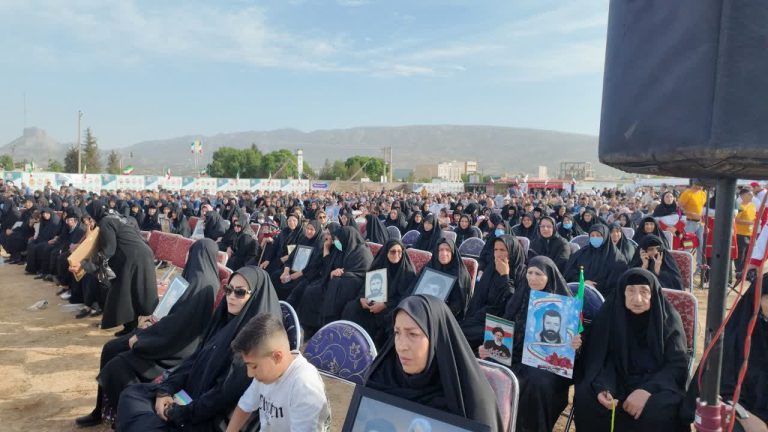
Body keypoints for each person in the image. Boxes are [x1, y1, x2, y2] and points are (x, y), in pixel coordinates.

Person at [116, 266, 282, 431]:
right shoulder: (224, 321)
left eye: (240, 292)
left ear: (256, 297)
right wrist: (166, 391)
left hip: (211, 415)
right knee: (133, 394)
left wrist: (180, 413)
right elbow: (195, 360)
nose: (231, 297)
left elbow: (223, 394)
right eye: (228, 289)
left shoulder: (254, 341)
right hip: (189, 396)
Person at [75, 239, 219, 427]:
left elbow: (178, 326)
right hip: (168, 336)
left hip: (176, 348)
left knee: (117, 366)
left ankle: (127, 417)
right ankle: (101, 410)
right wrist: (153, 321)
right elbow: (174, 316)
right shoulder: (197, 277)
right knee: (110, 348)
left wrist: (143, 339)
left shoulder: (201, 283)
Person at [364, 295, 504, 431]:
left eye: (412, 334)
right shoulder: (382, 379)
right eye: (397, 333)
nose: (401, 346)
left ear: (437, 339)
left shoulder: (469, 401)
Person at [574, 268, 689, 432]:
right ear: (622, 293)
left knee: (661, 410)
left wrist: (646, 391)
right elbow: (598, 357)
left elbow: (677, 365)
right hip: (616, 380)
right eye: (630, 291)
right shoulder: (610, 314)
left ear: (653, 294)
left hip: (656, 384)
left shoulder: (668, 320)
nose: (638, 299)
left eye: (644, 291)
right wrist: (603, 387)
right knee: (588, 399)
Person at [479, 256, 581, 432]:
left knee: (537, 382)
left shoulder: (564, 305)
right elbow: (504, 330)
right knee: (489, 369)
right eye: (530, 273)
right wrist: (489, 347)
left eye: (538, 274)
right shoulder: (520, 296)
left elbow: (572, 353)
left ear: (549, 277)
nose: (532, 278)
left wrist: (575, 344)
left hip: (547, 364)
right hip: (517, 355)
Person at [685, 274, 768, 432]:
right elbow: (716, 391)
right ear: (756, 300)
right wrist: (745, 417)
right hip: (744, 415)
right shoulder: (735, 339)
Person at [226, 313, 331, 432]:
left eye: (254, 366)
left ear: (277, 357)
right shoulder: (266, 374)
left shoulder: (305, 386)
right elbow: (245, 406)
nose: (250, 374)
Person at [73, 199, 157, 336]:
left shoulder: (106, 222)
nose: (90, 218)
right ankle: (130, 327)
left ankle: (132, 328)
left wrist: (84, 264)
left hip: (134, 257)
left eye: (90, 215)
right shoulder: (115, 216)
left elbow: (108, 250)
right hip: (139, 255)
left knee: (125, 291)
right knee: (129, 292)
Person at [298, 226, 373, 334]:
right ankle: (311, 328)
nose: (336, 242)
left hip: (355, 286)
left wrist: (343, 274)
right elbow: (328, 267)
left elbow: (363, 273)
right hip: (336, 281)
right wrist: (328, 253)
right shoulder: (341, 249)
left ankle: (329, 326)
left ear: (346, 238)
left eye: (338, 239)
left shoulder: (362, 252)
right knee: (312, 291)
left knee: (336, 286)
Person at [342, 239, 417, 347]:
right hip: (373, 303)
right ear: (386, 252)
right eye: (392, 251)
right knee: (352, 307)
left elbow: (406, 297)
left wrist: (385, 305)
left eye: (399, 252)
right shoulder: (379, 265)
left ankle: (376, 350)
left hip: (393, 306)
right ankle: (349, 342)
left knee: (389, 318)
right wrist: (362, 298)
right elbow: (366, 286)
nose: (396, 254)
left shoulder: (407, 272)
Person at [460, 234, 524, 348]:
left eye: (503, 250)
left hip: (505, 324)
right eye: (496, 250)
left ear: (513, 252)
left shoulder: (522, 275)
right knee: (458, 328)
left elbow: (512, 307)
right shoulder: (491, 269)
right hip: (484, 316)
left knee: (464, 335)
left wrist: (505, 276)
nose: (498, 254)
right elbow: (478, 299)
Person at [564, 224, 629, 298]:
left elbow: (616, 285)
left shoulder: (617, 259)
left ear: (605, 236)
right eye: (592, 236)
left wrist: (595, 288)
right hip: (578, 293)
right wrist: (583, 282)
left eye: (598, 235)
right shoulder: (582, 253)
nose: (595, 238)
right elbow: (569, 273)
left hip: (604, 298)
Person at [419, 238, 472, 321]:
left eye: (448, 250)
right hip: (423, 309)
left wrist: (438, 315)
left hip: (446, 315)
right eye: (440, 250)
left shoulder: (460, 273)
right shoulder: (430, 266)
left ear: (453, 253)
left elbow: (458, 305)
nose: (444, 253)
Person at [274, 220, 323, 300]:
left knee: (295, 286)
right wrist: (286, 271)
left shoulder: (319, 245)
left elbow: (313, 266)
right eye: (307, 228)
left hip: (305, 274)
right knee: (276, 276)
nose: (309, 231)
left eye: (312, 229)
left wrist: (295, 275)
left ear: (317, 231)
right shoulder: (303, 240)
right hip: (292, 269)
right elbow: (291, 257)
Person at [678, 181, 707, 269]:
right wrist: (690, 213)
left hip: (700, 222)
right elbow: (679, 207)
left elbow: (703, 207)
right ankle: (685, 265)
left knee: (701, 245)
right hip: (690, 222)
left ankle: (700, 266)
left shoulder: (703, 193)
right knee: (688, 244)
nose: (702, 186)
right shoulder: (687, 193)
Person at [735, 188, 757, 275]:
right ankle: (739, 272)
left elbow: (754, 218)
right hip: (741, 233)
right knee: (741, 254)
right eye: (749, 195)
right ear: (742, 196)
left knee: (749, 254)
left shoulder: (752, 206)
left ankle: (746, 272)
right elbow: (735, 219)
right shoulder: (740, 206)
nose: (752, 196)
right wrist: (749, 222)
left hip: (750, 234)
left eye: (752, 194)